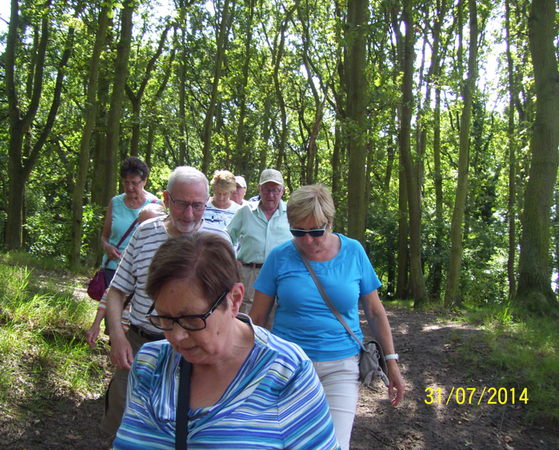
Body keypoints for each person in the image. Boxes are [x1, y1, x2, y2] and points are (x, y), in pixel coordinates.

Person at [113, 232, 340, 449]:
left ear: (235, 299)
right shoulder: (149, 364)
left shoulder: (287, 372)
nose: (176, 336)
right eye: (165, 318)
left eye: (192, 319)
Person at [250, 184, 405, 450]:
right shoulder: (279, 257)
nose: (307, 240)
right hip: (289, 365)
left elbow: (375, 312)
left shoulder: (354, 252)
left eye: (315, 232)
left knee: (333, 444)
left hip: (342, 367)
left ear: (330, 223)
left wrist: (391, 362)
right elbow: (257, 317)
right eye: (298, 232)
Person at [101, 166, 231, 436]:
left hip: (196, 349)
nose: (190, 214)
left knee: (185, 430)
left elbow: (229, 305)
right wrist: (117, 336)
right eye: (182, 204)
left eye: (198, 205)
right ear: (166, 198)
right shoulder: (145, 233)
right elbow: (117, 290)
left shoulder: (218, 239)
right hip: (140, 344)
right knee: (123, 424)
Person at [86, 202, 168, 348]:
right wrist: (96, 324)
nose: (146, 229)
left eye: (152, 224)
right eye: (142, 225)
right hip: (128, 332)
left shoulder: (178, 254)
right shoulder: (131, 253)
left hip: (164, 337)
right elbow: (113, 290)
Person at [226, 168, 291, 316]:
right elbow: (226, 236)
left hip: (281, 276)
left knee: (276, 318)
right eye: (266, 189)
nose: (270, 195)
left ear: (283, 190)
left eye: (275, 190)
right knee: (248, 320)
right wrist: (231, 258)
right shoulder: (245, 211)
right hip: (250, 274)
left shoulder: (292, 213)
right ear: (259, 189)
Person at [100, 157, 159, 286]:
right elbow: (105, 236)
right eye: (126, 182)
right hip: (113, 269)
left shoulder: (156, 205)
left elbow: (159, 242)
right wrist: (107, 247)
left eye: (134, 183)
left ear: (144, 181)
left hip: (140, 272)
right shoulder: (115, 203)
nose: (130, 187)